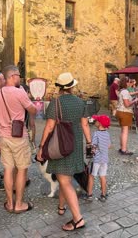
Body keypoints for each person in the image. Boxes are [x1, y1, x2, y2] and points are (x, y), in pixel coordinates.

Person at [37, 72, 91, 231]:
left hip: (60, 146)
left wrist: (41, 148)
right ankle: (61, 207)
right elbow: (85, 125)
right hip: (75, 147)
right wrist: (89, 143)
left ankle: (78, 219)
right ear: (72, 86)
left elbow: (49, 127)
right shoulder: (80, 103)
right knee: (64, 178)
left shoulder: (56, 103)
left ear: (60, 87)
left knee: (64, 180)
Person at [0, 65, 36, 214]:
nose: (20, 78)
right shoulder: (20, 92)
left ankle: (9, 203)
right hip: (18, 137)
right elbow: (33, 110)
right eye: (18, 76)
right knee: (22, 169)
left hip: (3, 137)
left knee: (8, 169)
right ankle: (19, 204)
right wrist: (30, 99)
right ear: (12, 76)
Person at [84, 114, 111, 202]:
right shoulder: (107, 134)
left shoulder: (96, 133)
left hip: (96, 160)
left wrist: (89, 152)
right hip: (105, 160)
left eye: (96, 121)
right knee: (103, 176)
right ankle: (103, 195)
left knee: (91, 176)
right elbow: (109, 145)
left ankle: (89, 194)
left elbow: (93, 146)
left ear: (99, 124)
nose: (95, 122)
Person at [116, 77, 138, 155]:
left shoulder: (121, 91)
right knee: (125, 132)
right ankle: (124, 150)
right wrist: (134, 101)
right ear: (126, 83)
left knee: (122, 131)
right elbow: (127, 104)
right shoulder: (125, 91)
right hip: (125, 112)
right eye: (129, 82)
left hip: (119, 111)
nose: (130, 83)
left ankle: (122, 147)